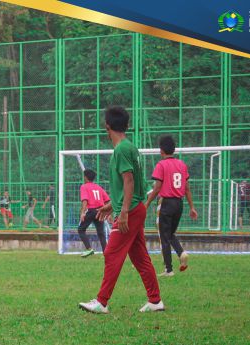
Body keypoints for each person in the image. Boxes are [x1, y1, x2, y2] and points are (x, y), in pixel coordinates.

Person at [78, 106, 163, 314]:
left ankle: (102, 302)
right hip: (134, 207)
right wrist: (112, 205)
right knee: (140, 257)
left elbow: (129, 180)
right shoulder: (129, 147)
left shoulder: (122, 149)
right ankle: (155, 300)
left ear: (107, 126)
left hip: (131, 210)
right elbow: (130, 182)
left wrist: (123, 211)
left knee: (111, 253)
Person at [144, 136, 198, 277]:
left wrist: (147, 203)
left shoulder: (161, 165)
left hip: (166, 203)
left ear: (161, 150)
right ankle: (181, 253)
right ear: (173, 149)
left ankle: (168, 269)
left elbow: (157, 188)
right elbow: (187, 188)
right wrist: (192, 207)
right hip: (179, 204)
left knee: (163, 236)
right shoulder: (182, 165)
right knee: (170, 234)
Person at [77, 169, 110, 258]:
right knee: (101, 233)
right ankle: (106, 253)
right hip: (100, 210)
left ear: (86, 177)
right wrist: (108, 212)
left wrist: (83, 213)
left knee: (81, 229)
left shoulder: (84, 186)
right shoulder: (98, 187)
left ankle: (89, 249)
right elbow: (107, 200)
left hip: (91, 211)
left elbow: (85, 200)